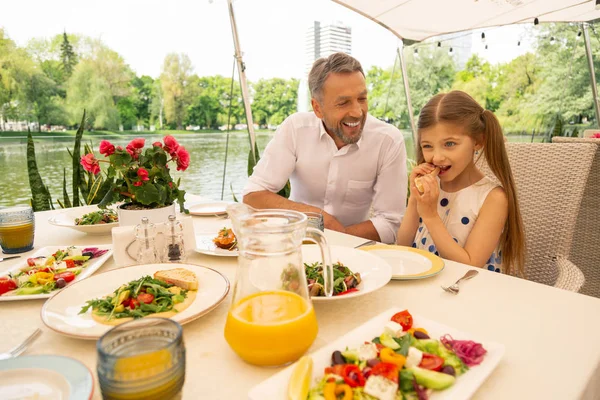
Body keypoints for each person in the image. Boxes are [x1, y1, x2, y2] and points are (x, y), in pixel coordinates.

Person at [243, 52, 407, 243]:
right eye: (343, 103)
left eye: (362, 99)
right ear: (317, 108)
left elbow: (390, 223)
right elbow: (253, 195)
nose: (357, 112)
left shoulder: (388, 141)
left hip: (357, 248)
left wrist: (335, 237)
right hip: (298, 244)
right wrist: (317, 217)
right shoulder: (295, 128)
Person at [396, 91, 524, 275]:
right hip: (424, 284)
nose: (437, 157)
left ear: (478, 141)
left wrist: (431, 216)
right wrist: (414, 200)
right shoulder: (431, 188)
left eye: (449, 144)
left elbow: (469, 265)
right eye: (428, 146)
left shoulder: (493, 198)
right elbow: (403, 244)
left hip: (468, 292)